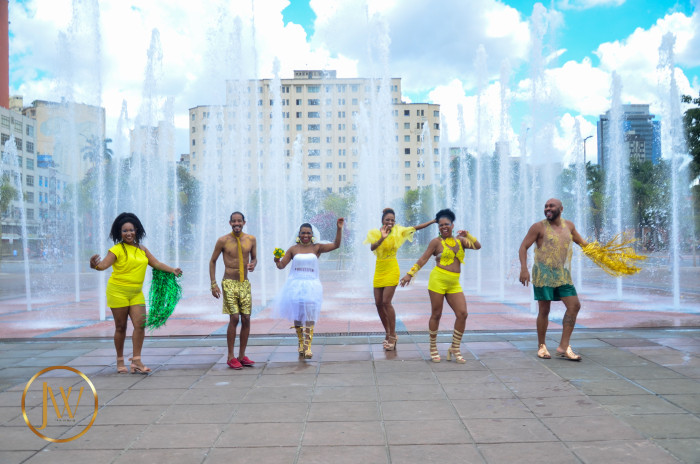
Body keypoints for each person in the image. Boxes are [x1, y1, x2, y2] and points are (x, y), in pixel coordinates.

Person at [90, 212, 182, 374]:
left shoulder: (142, 249)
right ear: (119, 233)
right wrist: (94, 265)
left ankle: (136, 361)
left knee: (140, 325)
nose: (128, 233)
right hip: (117, 292)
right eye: (125, 231)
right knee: (121, 327)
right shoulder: (116, 249)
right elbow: (103, 265)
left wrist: (172, 270)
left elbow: (156, 263)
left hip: (136, 293)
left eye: (131, 230)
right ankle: (120, 360)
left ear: (136, 230)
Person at [400, 209, 480, 363]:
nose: (444, 227)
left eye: (446, 224)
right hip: (438, 280)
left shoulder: (461, 241)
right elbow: (423, 259)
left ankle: (455, 348)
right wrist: (410, 274)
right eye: (441, 225)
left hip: (454, 283)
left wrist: (468, 235)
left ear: (452, 225)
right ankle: (433, 347)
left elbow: (477, 246)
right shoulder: (436, 242)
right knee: (436, 314)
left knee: (462, 314)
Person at [518, 198, 588, 361]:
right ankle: (542, 346)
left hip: (562, 274)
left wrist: (602, 254)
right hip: (543, 274)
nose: (547, 209)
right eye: (546, 206)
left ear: (561, 209)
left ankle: (564, 346)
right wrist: (524, 268)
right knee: (544, 310)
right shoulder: (538, 227)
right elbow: (523, 247)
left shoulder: (569, 226)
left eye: (551, 206)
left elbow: (583, 244)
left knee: (574, 306)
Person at [364, 208, 435, 350]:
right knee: (378, 303)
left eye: (392, 220)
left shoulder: (398, 231)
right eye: (387, 220)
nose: (390, 222)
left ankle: (392, 335)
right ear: (382, 221)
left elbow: (416, 227)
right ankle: (387, 332)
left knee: (386, 302)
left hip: (392, 269)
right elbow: (372, 247)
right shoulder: (375, 233)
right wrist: (382, 238)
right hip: (379, 270)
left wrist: (433, 221)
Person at [273, 218, 344, 359]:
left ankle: (307, 346)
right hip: (295, 284)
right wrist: (277, 260)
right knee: (298, 315)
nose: (305, 235)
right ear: (299, 235)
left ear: (312, 235)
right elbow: (281, 266)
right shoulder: (293, 249)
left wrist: (339, 228)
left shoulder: (316, 248)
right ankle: (300, 342)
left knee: (310, 314)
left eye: (308, 233)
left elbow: (336, 245)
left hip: (312, 285)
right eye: (303, 233)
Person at [209, 211, 258, 370]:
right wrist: (213, 284)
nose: (237, 224)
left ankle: (242, 356)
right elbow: (212, 261)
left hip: (244, 283)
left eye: (239, 221)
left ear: (244, 222)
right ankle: (230, 356)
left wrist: (253, 264)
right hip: (229, 282)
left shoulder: (251, 239)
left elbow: (254, 258)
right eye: (234, 221)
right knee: (235, 318)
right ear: (230, 223)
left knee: (246, 318)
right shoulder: (223, 240)